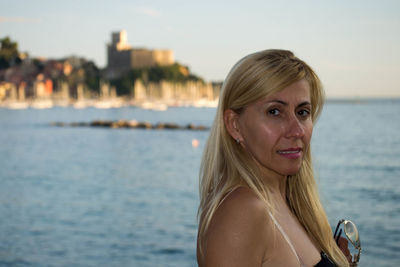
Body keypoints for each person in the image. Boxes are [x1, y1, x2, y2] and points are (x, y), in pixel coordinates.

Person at [197, 49, 350, 267]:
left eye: (303, 112)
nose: (296, 130)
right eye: (275, 112)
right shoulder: (242, 212)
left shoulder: (286, 200)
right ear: (234, 125)